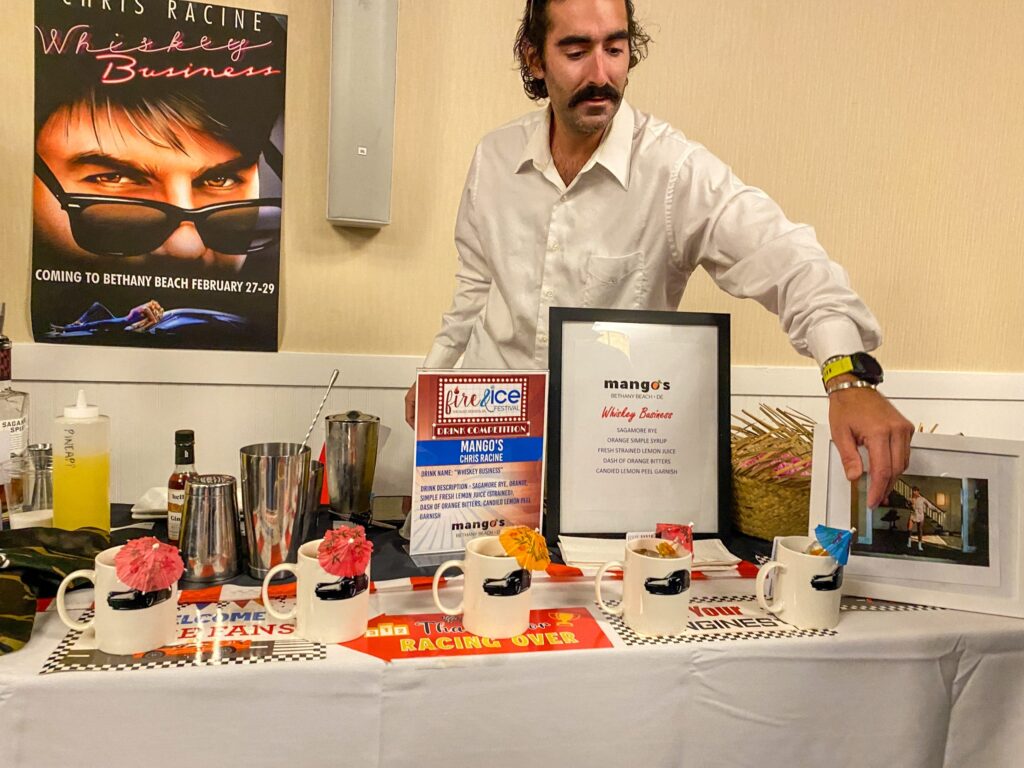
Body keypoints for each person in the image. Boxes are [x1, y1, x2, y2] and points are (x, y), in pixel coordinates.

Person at [406, 0, 913, 508]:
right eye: (576, 50)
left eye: (615, 48)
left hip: (614, 463)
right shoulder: (494, 157)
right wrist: (435, 377)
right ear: (534, 58)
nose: (601, 74)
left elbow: (788, 257)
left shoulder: (674, 173)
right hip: (490, 454)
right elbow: (474, 287)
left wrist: (846, 378)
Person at [908, 486, 928, 552]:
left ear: (918, 491)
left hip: (920, 515)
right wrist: (909, 505)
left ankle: (919, 545)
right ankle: (909, 542)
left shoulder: (922, 499)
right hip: (913, 514)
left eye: (915, 491)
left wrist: (936, 510)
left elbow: (928, 504)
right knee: (909, 528)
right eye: (913, 491)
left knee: (919, 530)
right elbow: (907, 505)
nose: (914, 492)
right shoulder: (910, 498)